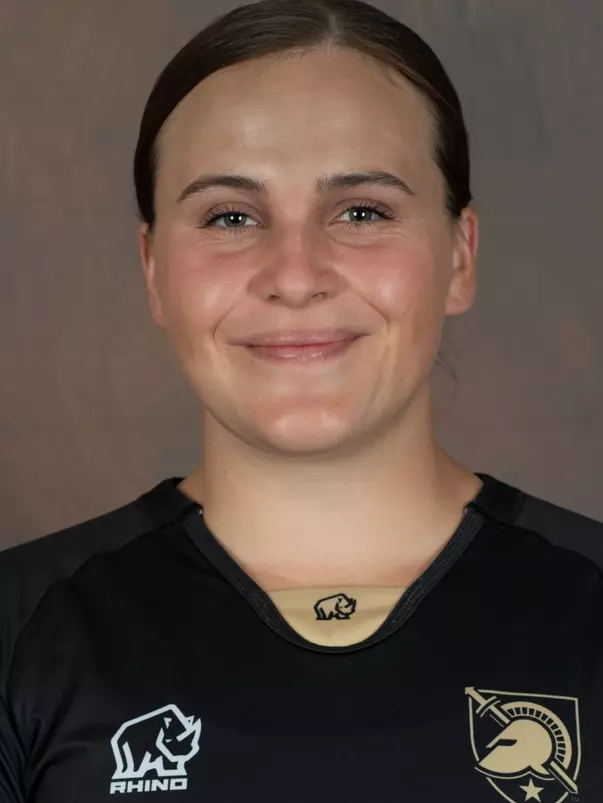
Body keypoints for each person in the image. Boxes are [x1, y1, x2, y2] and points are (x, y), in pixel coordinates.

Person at [1, 0, 602, 800]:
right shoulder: (22, 631)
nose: (294, 274)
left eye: (361, 211)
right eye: (230, 215)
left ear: (459, 255)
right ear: (153, 270)